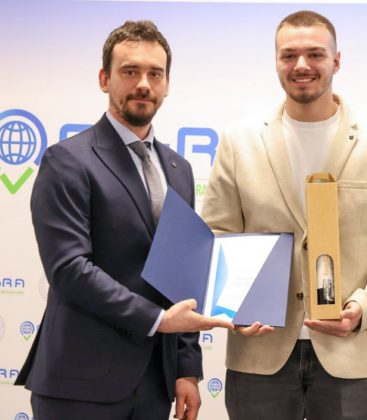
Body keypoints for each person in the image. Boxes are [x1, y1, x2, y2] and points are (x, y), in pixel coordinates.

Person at [201, 10, 367, 420]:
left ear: (336, 61)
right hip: (259, 352)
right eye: (289, 55)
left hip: (352, 356)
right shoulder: (238, 140)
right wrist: (232, 306)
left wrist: (365, 307)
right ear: (276, 62)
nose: (301, 65)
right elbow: (217, 233)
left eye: (315, 54)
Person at [14, 20, 232, 420]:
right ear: (105, 79)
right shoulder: (68, 160)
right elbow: (69, 269)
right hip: (79, 382)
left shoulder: (179, 169)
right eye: (130, 71)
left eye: (155, 74)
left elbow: (182, 276)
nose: (143, 84)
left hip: (154, 385)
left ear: (167, 84)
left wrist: (186, 369)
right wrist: (158, 320)